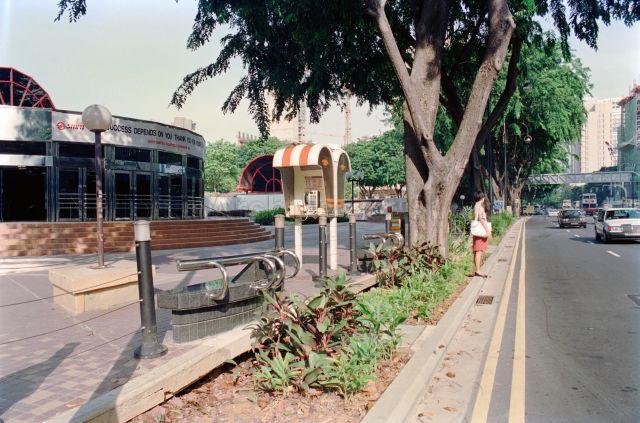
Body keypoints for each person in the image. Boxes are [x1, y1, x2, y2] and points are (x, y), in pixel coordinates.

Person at [472, 191, 491, 277]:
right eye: (483, 197)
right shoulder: (479, 207)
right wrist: (488, 230)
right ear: (481, 198)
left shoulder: (476, 206)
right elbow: (482, 219)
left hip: (477, 232)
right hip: (481, 232)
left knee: (477, 251)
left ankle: (477, 269)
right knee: (479, 252)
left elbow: (476, 218)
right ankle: (478, 270)